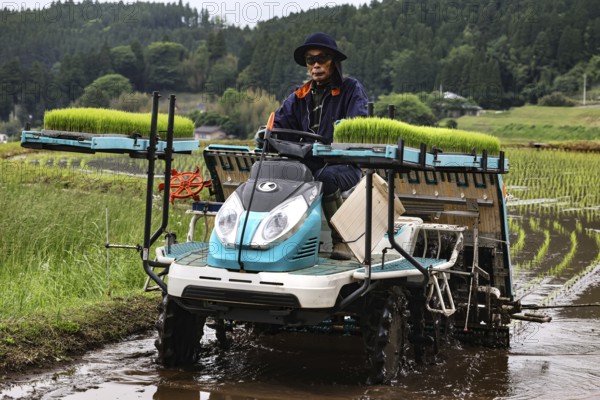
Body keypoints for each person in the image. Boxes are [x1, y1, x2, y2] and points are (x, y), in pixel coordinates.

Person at [273, 32, 369, 260]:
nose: (315, 65)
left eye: (322, 59)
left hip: (345, 165)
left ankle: (343, 239)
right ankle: (281, 239)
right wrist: (266, 134)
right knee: (279, 173)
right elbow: (278, 125)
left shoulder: (351, 89)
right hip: (309, 162)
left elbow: (358, 124)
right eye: (310, 60)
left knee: (325, 178)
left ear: (333, 62)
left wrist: (343, 131)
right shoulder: (298, 95)